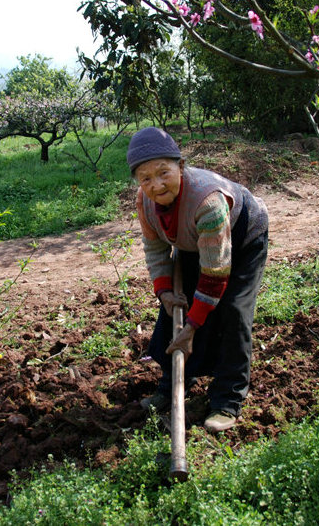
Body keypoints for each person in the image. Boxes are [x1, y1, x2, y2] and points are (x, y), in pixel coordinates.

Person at [127, 127, 269, 433]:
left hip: (244, 239)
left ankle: (227, 400)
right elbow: (155, 248)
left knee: (232, 310)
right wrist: (164, 292)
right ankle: (172, 383)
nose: (156, 184)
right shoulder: (145, 201)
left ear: (181, 166)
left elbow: (215, 274)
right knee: (174, 309)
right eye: (145, 178)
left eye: (164, 172)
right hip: (195, 239)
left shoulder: (207, 202)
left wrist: (192, 326)